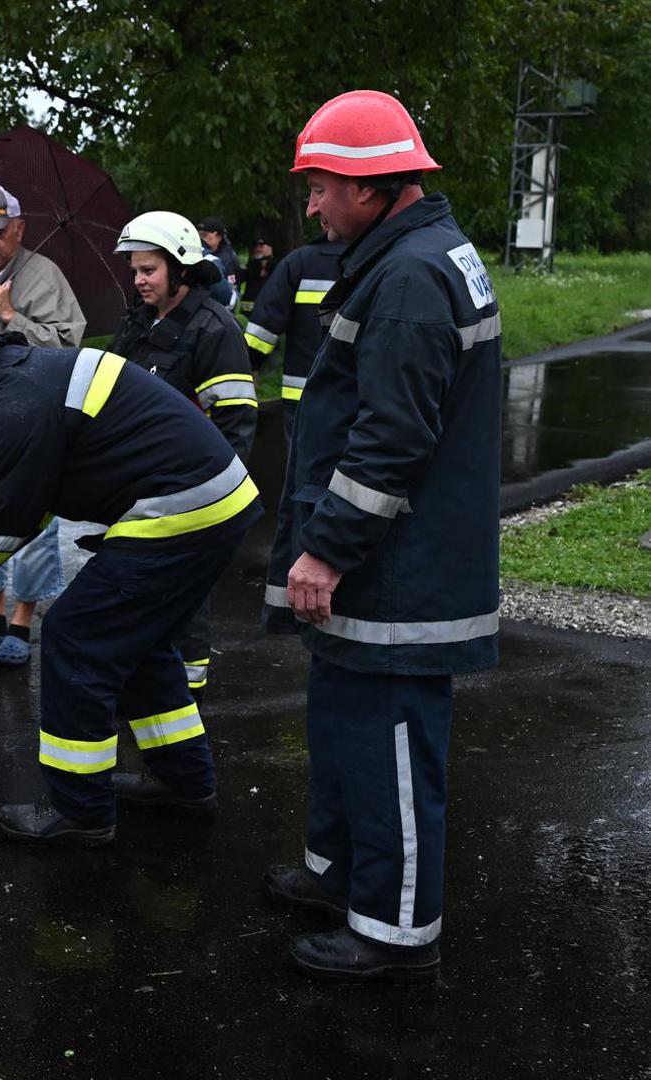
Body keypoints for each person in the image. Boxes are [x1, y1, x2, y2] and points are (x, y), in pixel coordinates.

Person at [261, 91, 502, 983]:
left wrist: (325, 550)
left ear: (368, 185)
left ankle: (397, 934)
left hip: (398, 570)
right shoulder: (408, 253)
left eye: (321, 186)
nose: (313, 204)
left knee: (391, 740)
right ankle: (338, 876)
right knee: (343, 725)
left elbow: (391, 439)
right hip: (386, 558)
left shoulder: (406, 279)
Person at [0, 331, 262, 842]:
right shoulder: (21, 378)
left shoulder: (11, 409)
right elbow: (25, 507)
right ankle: (183, 782)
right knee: (139, 644)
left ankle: (81, 811)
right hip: (212, 504)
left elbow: (1, 523)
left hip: (182, 511)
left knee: (76, 637)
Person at [111, 210, 256, 702]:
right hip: (136, 491)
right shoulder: (138, 322)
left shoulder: (214, 329)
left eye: (148, 270)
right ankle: (146, 689)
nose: (139, 280)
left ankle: (186, 700)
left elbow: (236, 424)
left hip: (190, 494)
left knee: (185, 600)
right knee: (138, 593)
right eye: (134, 270)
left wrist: (210, 499)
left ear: (180, 267)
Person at [0, 185, 87, 666]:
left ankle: (23, 624)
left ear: (20, 229)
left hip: (26, 429)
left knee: (33, 522)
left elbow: (65, 349)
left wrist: (10, 314)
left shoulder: (45, 276)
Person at [243, 226, 343, 435]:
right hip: (362, 400)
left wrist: (248, 365)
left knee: (303, 464)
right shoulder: (387, 258)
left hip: (303, 395)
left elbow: (260, 333)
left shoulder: (300, 263)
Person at [197, 216, 240, 310]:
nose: (200, 240)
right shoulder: (201, 254)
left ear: (218, 236)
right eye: (198, 236)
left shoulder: (227, 258)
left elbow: (232, 295)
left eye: (204, 235)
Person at [239, 239, 276, 315]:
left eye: (261, 247)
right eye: (256, 247)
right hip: (249, 299)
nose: (258, 249)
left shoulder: (271, 262)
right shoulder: (252, 263)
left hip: (262, 299)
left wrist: (268, 257)